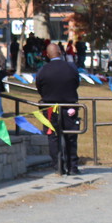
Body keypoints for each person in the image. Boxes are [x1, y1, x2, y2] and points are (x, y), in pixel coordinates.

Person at [35, 42, 81, 175]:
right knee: (71, 137)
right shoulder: (71, 68)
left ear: (47, 55)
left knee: (53, 137)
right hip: (69, 106)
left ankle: (58, 166)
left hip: (49, 107)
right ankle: (72, 167)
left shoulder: (43, 70)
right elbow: (76, 83)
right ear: (60, 53)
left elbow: (39, 86)